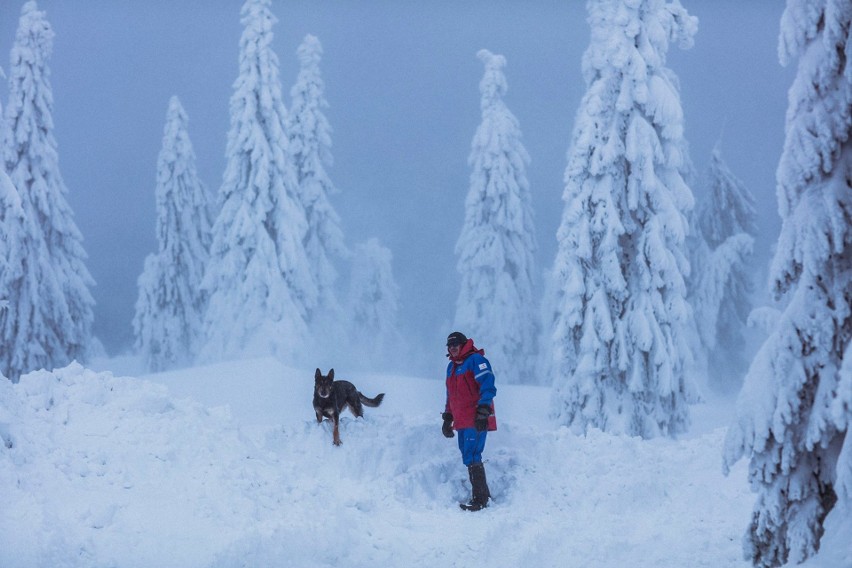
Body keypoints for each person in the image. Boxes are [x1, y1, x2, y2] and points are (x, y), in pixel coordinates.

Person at [441, 331, 496, 511]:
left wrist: (483, 411)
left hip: (475, 419)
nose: (453, 348)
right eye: (450, 346)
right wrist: (448, 417)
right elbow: (451, 395)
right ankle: (483, 495)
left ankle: (480, 500)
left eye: (456, 345)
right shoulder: (452, 367)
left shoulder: (475, 361)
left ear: (463, 344)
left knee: (473, 455)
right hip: (461, 420)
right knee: (467, 455)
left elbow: (488, 385)